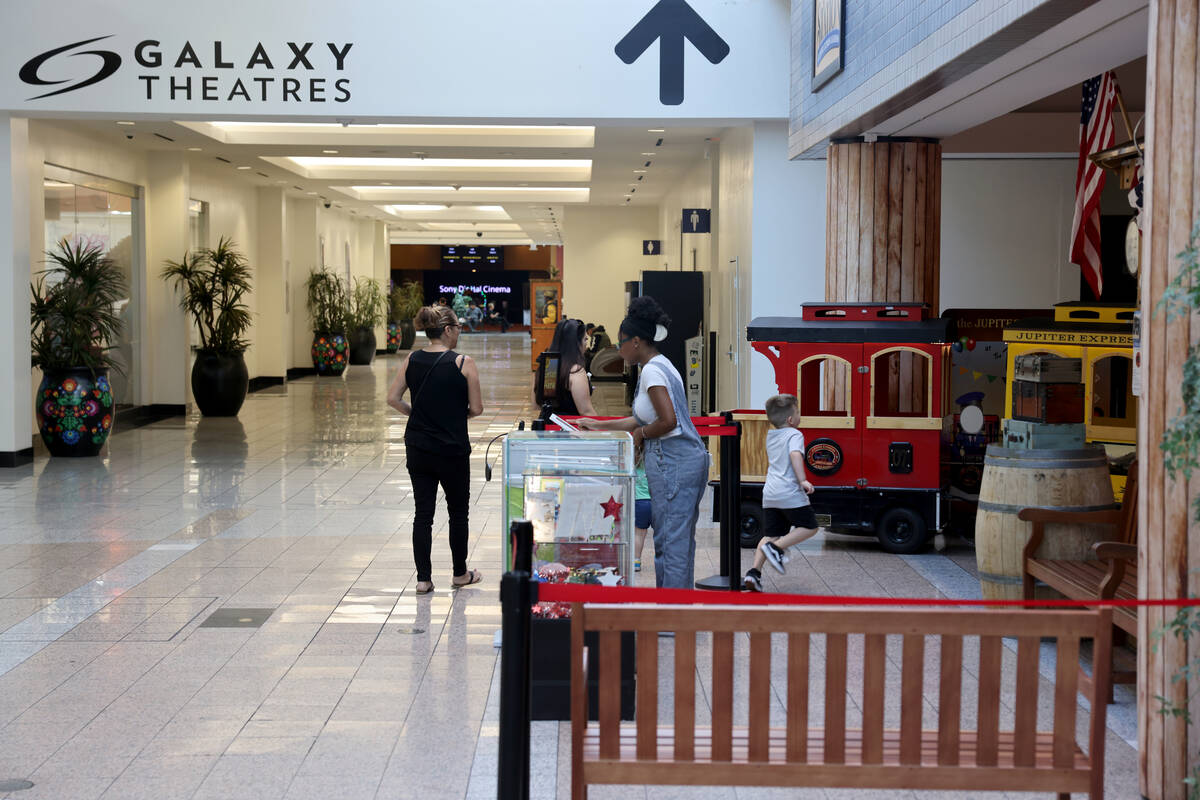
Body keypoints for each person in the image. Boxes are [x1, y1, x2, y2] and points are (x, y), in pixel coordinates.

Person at [578, 296, 708, 589]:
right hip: (681, 461)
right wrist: (598, 425)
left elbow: (667, 421)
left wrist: (640, 436)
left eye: (621, 340)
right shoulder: (660, 364)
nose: (618, 347)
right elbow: (640, 419)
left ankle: (673, 614)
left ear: (636, 341)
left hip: (675, 462)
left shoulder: (651, 371)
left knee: (671, 542)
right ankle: (677, 609)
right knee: (674, 539)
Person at [387, 305, 485, 594]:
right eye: (457, 328)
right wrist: (453, 416)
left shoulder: (412, 359)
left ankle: (423, 579)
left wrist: (416, 415)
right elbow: (477, 408)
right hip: (452, 449)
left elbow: (393, 398)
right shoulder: (463, 363)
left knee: (423, 514)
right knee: (458, 513)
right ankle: (459, 574)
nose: (458, 333)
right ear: (446, 330)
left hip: (418, 447)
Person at [742, 394, 819, 592]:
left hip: (771, 492)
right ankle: (776, 549)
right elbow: (794, 454)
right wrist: (802, 480)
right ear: (790, 420)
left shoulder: (771, 435)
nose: (800, 415)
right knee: (810, 527)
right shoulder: (795, 434)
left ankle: (753, 573)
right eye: (798, 412)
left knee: (771, 534)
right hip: (789, 492)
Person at [533, 318, 596, 416]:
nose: (586, 343)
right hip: (569, 427)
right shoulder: (576, 371)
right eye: (585, 339)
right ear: (576, 343)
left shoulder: (547, 366)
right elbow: (586, 411)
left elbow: (536, 405)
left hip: (546, 425)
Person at [633, 460, 651, 572]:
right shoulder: (655, 462)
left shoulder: (634, 463)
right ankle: (661, 560)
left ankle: (636, 562)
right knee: (660, 534)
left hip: (640, 501)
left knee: (639, 534)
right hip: (657, 501)